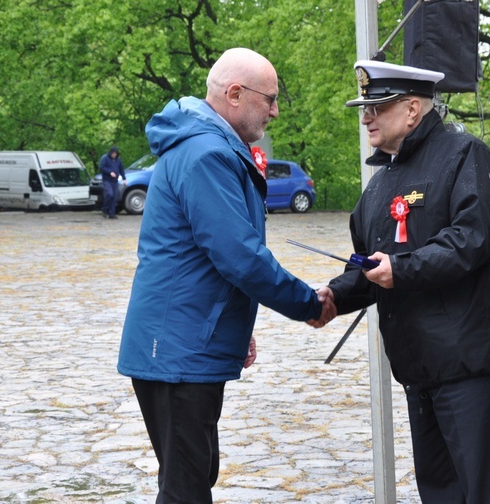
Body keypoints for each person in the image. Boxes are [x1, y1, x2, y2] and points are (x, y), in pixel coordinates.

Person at [117, 47, 335, 503]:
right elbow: (239, 257)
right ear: (235, 94)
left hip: (185, 343)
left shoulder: (206, 146)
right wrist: (310, 304)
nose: (275, 111)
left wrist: (237, 325)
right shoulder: (206, 154)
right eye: (269, 99)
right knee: (185, 489)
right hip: (177, 352)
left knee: (192, 477)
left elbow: (207, 258)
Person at [317, 60, 490, 503]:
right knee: (439, 493)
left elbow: (471, 240)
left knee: (484, 493)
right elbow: (369, 267)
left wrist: (400, 270)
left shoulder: (466, 155)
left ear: (412, 109)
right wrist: (334, 294)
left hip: (467, 365)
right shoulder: (379, 182)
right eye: (364, 107)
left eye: (376, 106)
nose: (365, 116)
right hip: (417, 366)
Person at [99, 146, 126, 219]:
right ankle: (105, 208)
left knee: (114, 197)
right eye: (113, 154)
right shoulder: (105, 158)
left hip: (115, 181)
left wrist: (124, 178)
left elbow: (121, 169)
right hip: (107, 180)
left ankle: (112, 213)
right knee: (109, 194)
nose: (114, 155)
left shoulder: (118, 160)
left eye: (116, 154)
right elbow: (102, 167)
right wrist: (109, 172)